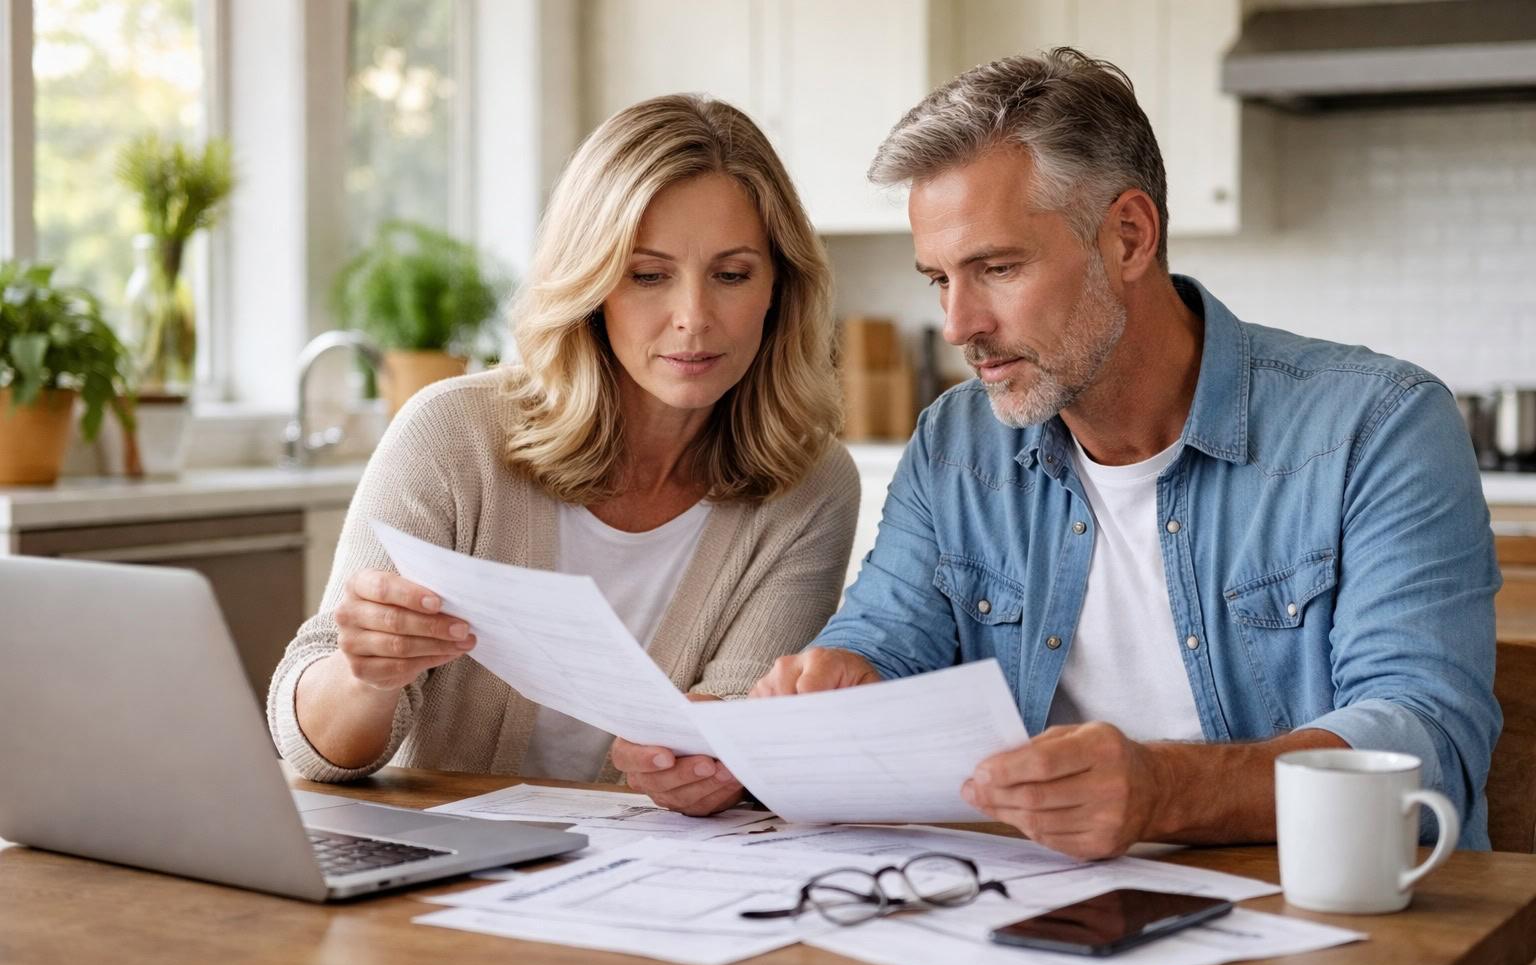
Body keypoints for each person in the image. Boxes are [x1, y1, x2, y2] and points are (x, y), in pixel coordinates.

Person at [739, 48, 1501, 858]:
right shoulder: (957, 444)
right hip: (1047, 917)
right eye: (938, 279)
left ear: (1129, 237)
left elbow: (1424, 750)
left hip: (1333, 928)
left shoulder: (1376, 426)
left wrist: (1163, 790)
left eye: (997, 268)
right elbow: (886, 643)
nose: (959, 324)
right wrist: (830, 691)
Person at [269, 94, 858, 797]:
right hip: (437, 874)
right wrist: (367, 675)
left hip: (646, 882)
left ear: (779, 290)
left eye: (731, 275)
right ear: (591, 287)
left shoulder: (811, 483)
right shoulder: (451, 434)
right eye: (648, 275)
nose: (694, 319)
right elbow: (316, 750)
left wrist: (719, 763)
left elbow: (738, 723)